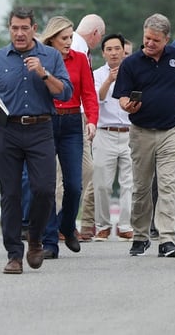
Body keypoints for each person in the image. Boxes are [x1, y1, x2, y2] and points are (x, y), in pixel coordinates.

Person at [0, 7, 72, 274]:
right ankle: (14, 255)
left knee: (43, 189)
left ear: (34, 28)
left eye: (24, 28)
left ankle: (36, 238)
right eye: (14, 28)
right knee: (11, 194)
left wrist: (43, 73)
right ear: (9, 28)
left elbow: (64, 93)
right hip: (8, 130)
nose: (19, 33)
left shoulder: (50, 56)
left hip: (41, 129)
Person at [114, 13, 175, 258]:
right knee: (141, 187)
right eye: (147, 38)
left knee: (167, 186)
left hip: (171, 131)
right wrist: (126, 105)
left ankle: (166, 239)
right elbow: (121, 95)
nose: (150, 44)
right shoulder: (131, 63)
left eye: (155, 40)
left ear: (166, 39)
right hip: (141, 132)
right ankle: (141, 235)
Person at [38, 16, 97, 259]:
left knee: (74, 184)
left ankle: (65, 223)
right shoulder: (41, 60)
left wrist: (92, 120)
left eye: (71, 37)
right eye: (64, 38)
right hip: (46, 122)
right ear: (51, 39)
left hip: (73, 122)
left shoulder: (80, 59)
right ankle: (50, 241)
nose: (69, 42)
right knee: (49, 185)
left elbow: (89, 93)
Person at [92, 33, 134, 241]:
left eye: (117, 48)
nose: (114, 53)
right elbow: (96, 98)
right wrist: (109, 80)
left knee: (130, 182)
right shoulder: (98, 74)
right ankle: (103, 225)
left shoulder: (134, 71)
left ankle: (126, 225)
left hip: (130, 132)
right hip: (105, 131)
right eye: (109, 49)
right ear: (103, 53)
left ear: (123, 50)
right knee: (102, 183)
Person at [72, 13, 105, 241]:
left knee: (85, 169)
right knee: (75, 171)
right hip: (73, 115)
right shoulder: (76, 47)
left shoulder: (80, 46)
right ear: (95, 34)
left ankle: (66, 218)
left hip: (81, 115)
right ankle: (62, 218)